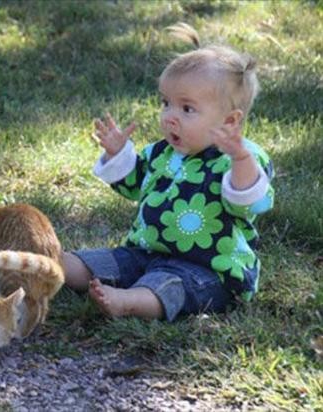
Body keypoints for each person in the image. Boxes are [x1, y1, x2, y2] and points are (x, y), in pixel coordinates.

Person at [63, 27, 275, 322]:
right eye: (166, 103)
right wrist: (117, 155)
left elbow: (249, 202)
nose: (169, 116)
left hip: (207, 270)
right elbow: (135, 184)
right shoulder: (163, 153)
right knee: (99, 262)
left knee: (169, 287)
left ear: (228, 121)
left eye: (187, 108)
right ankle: (47, 267)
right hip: (145, 254)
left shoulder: (240, 158)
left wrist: (240, 160)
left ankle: (128, 302)